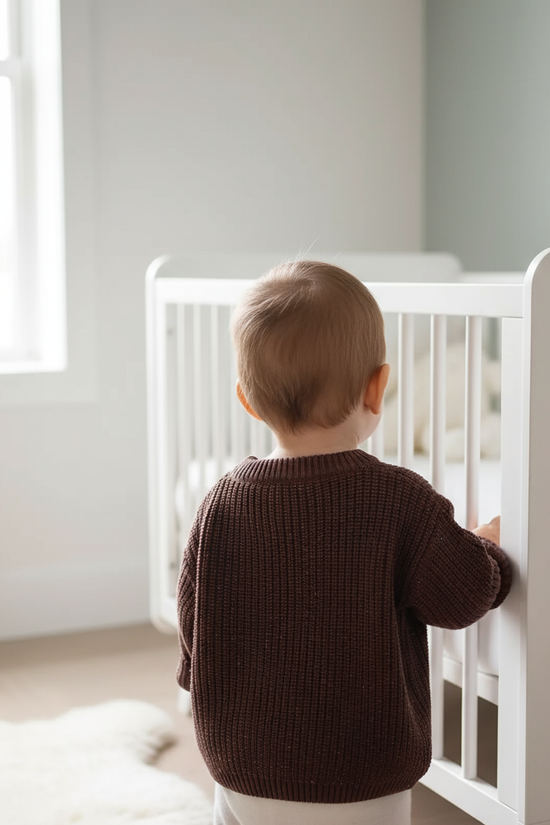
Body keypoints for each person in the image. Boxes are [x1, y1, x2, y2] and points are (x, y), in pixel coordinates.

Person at [176, 260, 511, 825]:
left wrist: (206, 687)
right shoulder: (400, 500)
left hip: (239, 765)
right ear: (378, 387)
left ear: (248, 401)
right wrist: (488, 547)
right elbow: (463, 595)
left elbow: (194, 622)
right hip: (361, 778)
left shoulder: (219, 505)